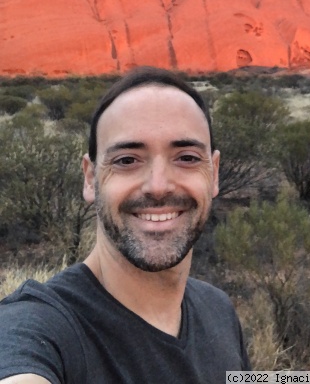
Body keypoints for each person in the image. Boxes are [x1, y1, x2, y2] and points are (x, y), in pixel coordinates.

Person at [0, 66, 250, 383]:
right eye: (127, 160)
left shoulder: (219, 311)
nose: (158, 186)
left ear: (213, 173)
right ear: (90, 179)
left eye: (186, 157)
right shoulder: (40, 328)